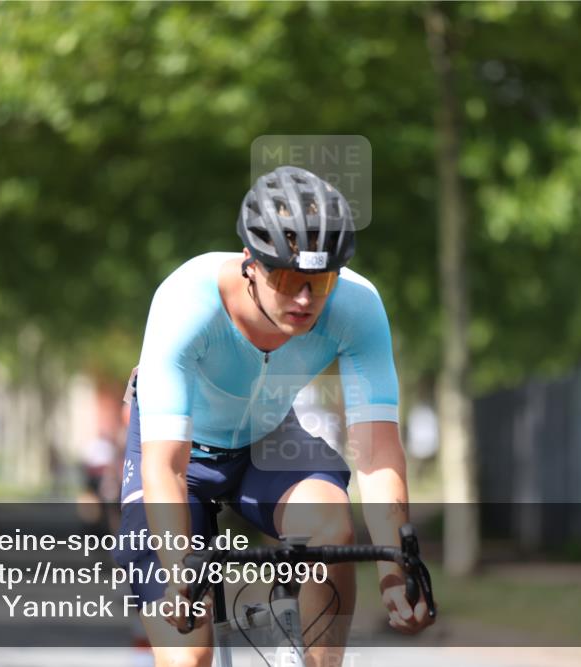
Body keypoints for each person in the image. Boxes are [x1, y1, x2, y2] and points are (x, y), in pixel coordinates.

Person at [115, 166, 433, 667]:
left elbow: (376, 451)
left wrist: (396, 572)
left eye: (321, 280)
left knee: (331, 522)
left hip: (267, 441)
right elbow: (167, 467)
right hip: (176, 456)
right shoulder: (186, 301)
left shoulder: (357, 307)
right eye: (287, 278)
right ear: (250, 264)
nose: (305, 299)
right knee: (187, 657)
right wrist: (180, 572)